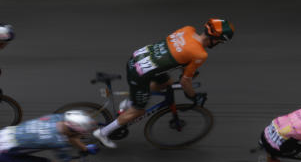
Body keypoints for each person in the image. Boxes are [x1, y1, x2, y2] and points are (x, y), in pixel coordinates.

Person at [94, 18, 234, 148]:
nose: (218, 44)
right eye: (220, 42)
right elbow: (186, 81)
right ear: (215, 39)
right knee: (139, 110)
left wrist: (188, 69)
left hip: (139, 58)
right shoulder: (200, 54)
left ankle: (131, 101)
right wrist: (193, 96)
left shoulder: (187, 29)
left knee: (167, 82)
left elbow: (176, 50)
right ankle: (103, 132)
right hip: (141, 73)